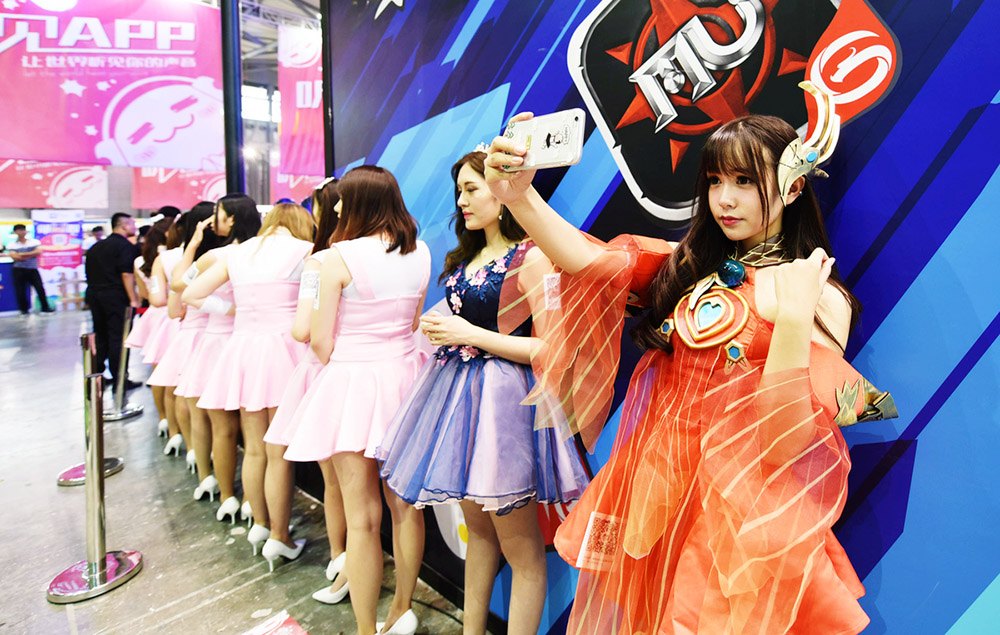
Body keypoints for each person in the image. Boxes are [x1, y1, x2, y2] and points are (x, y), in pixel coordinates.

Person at [482, 110, 898, 634]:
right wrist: (518, 196)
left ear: (793, 188)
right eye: (716, 180)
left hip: (738, 512)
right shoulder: (690, 267)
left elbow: (787, 441)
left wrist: (793, 318)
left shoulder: (817, 296)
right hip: (660, 489)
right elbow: (589, 261)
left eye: (744, 181)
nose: (724, 199)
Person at [376, 151, 589, 635]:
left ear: (501, 190)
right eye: (460, 191)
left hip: (506, 408)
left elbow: (551, 348)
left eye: (471, 189)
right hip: (458, 401)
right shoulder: (466, 258)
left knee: (522, 548)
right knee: (480, 536)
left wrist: (468, 333)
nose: (462, 201)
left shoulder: (532, 258)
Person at [281, 166, 430, 635]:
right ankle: (402, 609)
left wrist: (353, 357)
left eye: (344, 198)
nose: (338, 206)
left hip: (352, 385)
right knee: (406, 507)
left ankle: (366, 628)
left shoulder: (336, 257)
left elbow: (319, 340)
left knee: (362, 518)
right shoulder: (421, 251)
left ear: (361, 202)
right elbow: (413, 323)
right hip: (407, 379)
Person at [184, 203, 315, 556]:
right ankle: (279, 536)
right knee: (278, 453)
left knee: (255, 449)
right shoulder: (306, 251)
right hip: (286, 352)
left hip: (244, 350)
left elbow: (190, 293)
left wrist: (231, 310)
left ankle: (260, 524)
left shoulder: (237, 253)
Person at [261, 179, 350, 595]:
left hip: (326, 372)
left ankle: (340, 558)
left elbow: (303, 330)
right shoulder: (398, 252)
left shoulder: (320, 260)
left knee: (336, 481)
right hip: (381, 373)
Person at [177, 194, 261, 524]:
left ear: (233, 219)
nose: (215, 220)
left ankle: (225, 495)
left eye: (219, 213)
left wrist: (227, 309)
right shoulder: (259, 253)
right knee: (255, 435)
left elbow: (181, 287)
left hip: (217, 342)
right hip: (251, 343)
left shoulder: (216, 256)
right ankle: (255, 503)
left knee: (220, 428)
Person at [84, 213, 141, 392]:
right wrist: (133, 298)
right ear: (123, 225)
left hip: (95, 295)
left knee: (100, 335)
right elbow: (127, 274)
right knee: (119, 337)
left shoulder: (96, 247)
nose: (134, 227)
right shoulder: (124, 246)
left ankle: (97, 375)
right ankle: (120, 379)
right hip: (116, 297)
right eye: (132, 223)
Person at [5, 223, 54, 315]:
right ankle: (24, 310)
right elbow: (15, 257)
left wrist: (21, 254)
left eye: (23, 230)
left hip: (32, 269)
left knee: (40, 288)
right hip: (19, 270)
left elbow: (38, 252)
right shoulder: (12, 244)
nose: (22, 232)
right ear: (15, 232)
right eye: (19, 230)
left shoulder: (34, 242)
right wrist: (30, 254)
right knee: (21, 290)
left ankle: (45, 307)